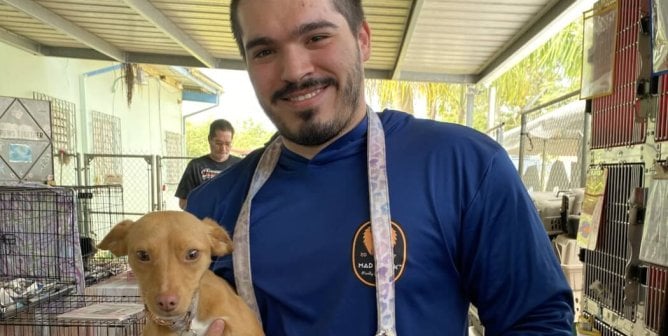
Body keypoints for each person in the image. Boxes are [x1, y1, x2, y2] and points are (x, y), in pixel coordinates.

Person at [192, 0, 575, 335]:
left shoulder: (463, 167)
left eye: (316, 38)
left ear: (362, 40)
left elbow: (537, 321)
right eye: (263, 51)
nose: (294, 70)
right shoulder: (211, 211)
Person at [175, 119, 241, 209]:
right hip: (202, 221)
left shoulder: (241, 165)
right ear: (209, 140)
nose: (223, 149)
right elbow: (183, 202)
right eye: (218, 143)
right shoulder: (195, 166)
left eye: (227, 144)